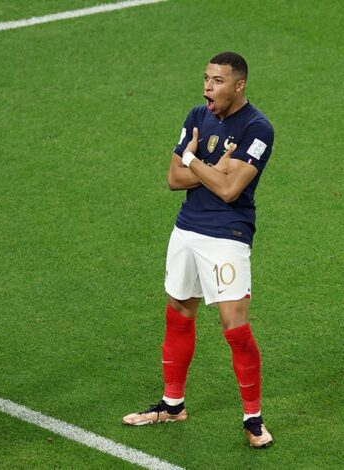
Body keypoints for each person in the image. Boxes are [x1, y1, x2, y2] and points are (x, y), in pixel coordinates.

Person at [122, 52, 274, 449]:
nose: (208, 87)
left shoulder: (258, 129)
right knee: (178, 313)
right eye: (206, 78)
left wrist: (193, 159)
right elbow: (174, 179)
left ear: (239, 85)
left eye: (218, 81)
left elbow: (230, 189)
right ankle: (173, 406)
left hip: (228, 234)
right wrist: (212, 167)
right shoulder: (196, 114)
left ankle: (253, 420)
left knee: (235, 328)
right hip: (187, 230)